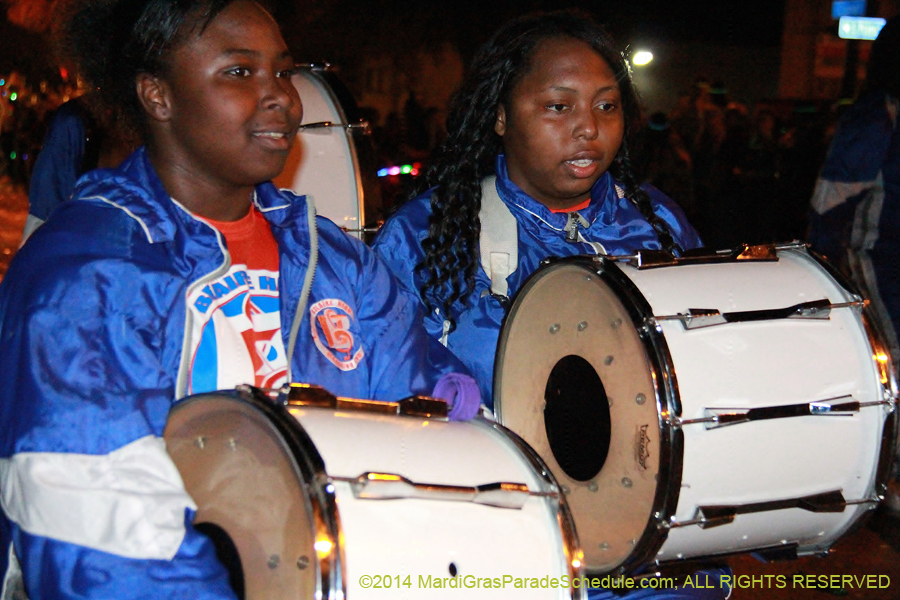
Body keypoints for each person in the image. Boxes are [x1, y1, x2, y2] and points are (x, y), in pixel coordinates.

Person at [0, 0, 479, 597]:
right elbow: (102, 531)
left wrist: (448, 398)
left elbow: (409, 415)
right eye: (238, 72)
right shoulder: (85, 272)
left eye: (281, 70)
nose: (281, 95)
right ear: (158, 95)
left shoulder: (335, 259)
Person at [373, 11, 728, 600]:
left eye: (607, 106)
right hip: (501, 556)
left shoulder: (658, 224)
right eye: (558, 107)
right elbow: (384, 404)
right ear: (500, 115)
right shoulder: (427, 237)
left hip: (653, 566)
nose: (588, 129)